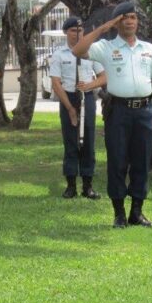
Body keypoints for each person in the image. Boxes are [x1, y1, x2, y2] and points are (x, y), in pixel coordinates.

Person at [72, 1, 152, 228]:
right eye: (124, 18)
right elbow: (78, 49)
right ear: (117, 22)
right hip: (118, 112)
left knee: (142, 162)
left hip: (144, 110)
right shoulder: (105, 46)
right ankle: (119, 214)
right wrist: (104, 27)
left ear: (138, 22)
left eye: (133, 17)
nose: (130, 21)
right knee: (117, 161)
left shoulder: (148, 49)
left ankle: (137, 212)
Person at [49, 16, 107, 199]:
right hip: (69, 96)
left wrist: (89, 86)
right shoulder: (59, 54)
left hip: (87, 96)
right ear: (66, 32)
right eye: (73, 30)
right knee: (70, 142)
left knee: (88, 141)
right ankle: (71, 185)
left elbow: (104, 77)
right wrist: (69, 108)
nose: (78, 33)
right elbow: (56, 83)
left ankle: (87, 186)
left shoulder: (91, 51)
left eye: (80, 30)